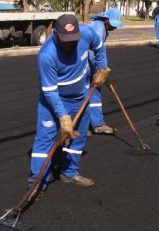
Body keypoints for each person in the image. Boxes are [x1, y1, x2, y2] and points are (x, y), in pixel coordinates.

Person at [28, 14, 109, 187]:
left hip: (80, 98)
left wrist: (102, 68)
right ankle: (37, 181)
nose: (70, 43)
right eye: (65, 40)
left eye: (73, 39)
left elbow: (100, 47)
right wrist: (63, 116)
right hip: (52, 102)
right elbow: (50, 91)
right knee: (45, 139)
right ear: (56, 34)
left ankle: (69, 172)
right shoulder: (47, 54)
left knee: (77, 137)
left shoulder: (87, 33)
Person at [87, 8, 123, 135]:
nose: (114, 28)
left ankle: (95, 124)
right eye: (112, 24)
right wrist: (99, 71)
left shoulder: (101, 27)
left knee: (93, 93)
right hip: (85, 66)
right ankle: (86, 126)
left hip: (89, 66)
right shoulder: (98, 29)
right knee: (86, 94)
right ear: (106, 19)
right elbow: (92, 53)